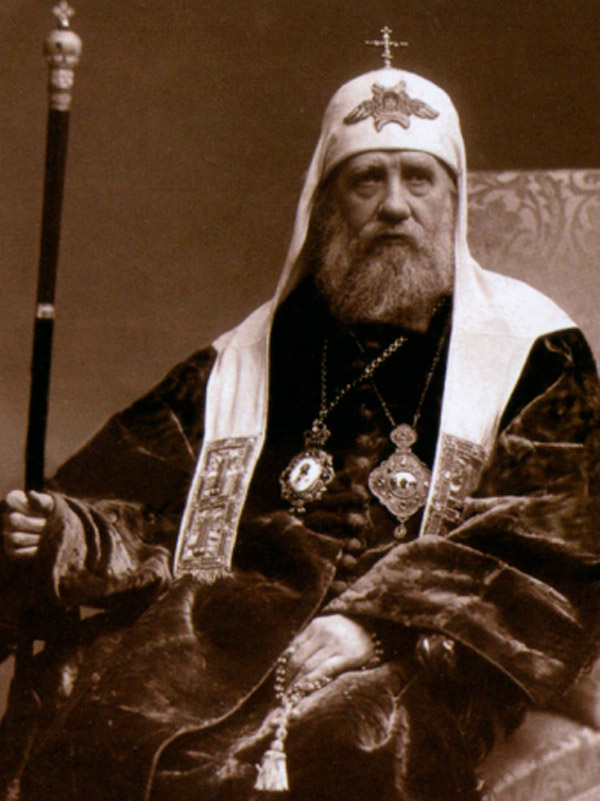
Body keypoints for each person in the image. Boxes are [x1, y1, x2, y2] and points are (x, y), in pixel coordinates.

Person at [1, 62, 600, 801]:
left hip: (424, 648)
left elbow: (551, 537)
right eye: (367, 180)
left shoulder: (532, 347)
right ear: (326, 203)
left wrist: (378, 627)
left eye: (418, 178)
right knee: (83, 704)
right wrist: (63, 528)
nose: (394, 205)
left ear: (453, 198)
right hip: (225, 632)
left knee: (353, 741)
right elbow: (130, 485)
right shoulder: (252, 351)